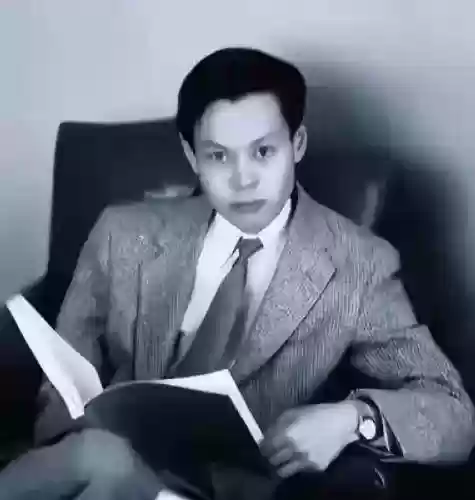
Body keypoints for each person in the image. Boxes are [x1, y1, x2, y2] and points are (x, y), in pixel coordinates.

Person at [1, 47, 475, 500]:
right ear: (192, 157)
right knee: (101, 459)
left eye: (263, 152)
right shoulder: (121, 234)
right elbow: (62, 385)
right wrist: (76, 424)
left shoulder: (360, 264)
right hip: (97, 466)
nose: (242, 180)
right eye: (218, 156)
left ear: (297, 144)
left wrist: (353, 418)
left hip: (227, 489)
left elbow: (453, 414)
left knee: (102, 462)